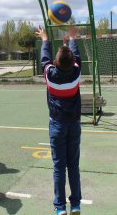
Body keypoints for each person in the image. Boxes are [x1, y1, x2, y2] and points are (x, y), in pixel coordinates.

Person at [36, 26, 82, 215]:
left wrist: (45, 39)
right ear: (73, 62)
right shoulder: (76, 72)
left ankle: (60, 207)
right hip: (74, 124)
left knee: (58, 167)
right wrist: (72, 39)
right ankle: (76, 204)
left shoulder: (50, 75)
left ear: (55, 62)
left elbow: (44, 58)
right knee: (73, 166)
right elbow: (75, 56)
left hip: (57, 124)